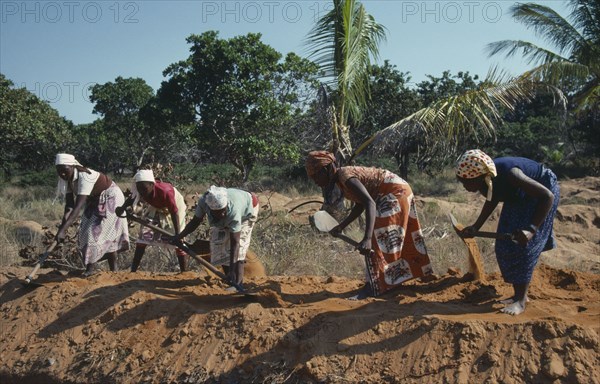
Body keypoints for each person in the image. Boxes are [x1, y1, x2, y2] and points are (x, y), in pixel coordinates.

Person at [305, 151, 434, 299]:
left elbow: (369, 203)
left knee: (379, 238)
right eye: (312, 177)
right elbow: (360, 205)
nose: (315, 181)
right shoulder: (340, 181)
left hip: (394, 192)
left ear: (327, 169)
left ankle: (373, 287)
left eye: (316, 175)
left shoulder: (345, 176)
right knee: (387, 238)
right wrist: (341, 226)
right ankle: (391, 281)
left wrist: (366, 238)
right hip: (398, 190)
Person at [456, 149, 560, 315]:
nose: (465, 187)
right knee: (505, 244)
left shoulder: (511, 175)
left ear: (479, 176)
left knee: (522, 246)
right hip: (520, 196)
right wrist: (476, 227)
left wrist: (531, 230)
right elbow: (493, 199)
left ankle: (520, 300)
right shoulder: (488, 179)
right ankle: (518, 295)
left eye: (467, 182)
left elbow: (547, 196)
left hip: (541, 193)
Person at [171, 185, 260, 291]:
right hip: (225, 213)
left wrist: (232, 270)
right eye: (218, 212)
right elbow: (195, 221)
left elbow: (235, 242)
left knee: (240, 248)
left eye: (223, 210)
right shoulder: (204, 202)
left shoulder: (234, 211)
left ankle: (238, 284)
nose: (222, 214)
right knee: (219, 245)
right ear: (210, 209)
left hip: (247, 211)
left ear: (226, 205)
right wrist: (179, 237)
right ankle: (231, 281)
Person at [54, 153, 130, 276]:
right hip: (94, 199)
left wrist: (63, 230)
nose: (62, 174)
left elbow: (77, 208)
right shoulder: (65, 180)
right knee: (84, 230)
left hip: (111, 197)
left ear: (73, 166)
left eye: (65, 170)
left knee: (94, 231)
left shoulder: (85, 176)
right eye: (59, 171)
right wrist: (61, 229)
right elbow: (69, 206)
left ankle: (90, 269)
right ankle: (113, 269)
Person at [116, 169, 190, 272]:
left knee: (180, 241)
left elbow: (174, 212)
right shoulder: (141, 189)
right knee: (144, 235)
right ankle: (133, 270)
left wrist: (178, 234)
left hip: (176, 208)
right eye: (139, 189)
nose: (141, 192)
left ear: (152, 184)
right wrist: (122, 208)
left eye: (144, 189)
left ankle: (184, 272)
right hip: (157, 207)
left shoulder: (166, 191)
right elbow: (132, 199)